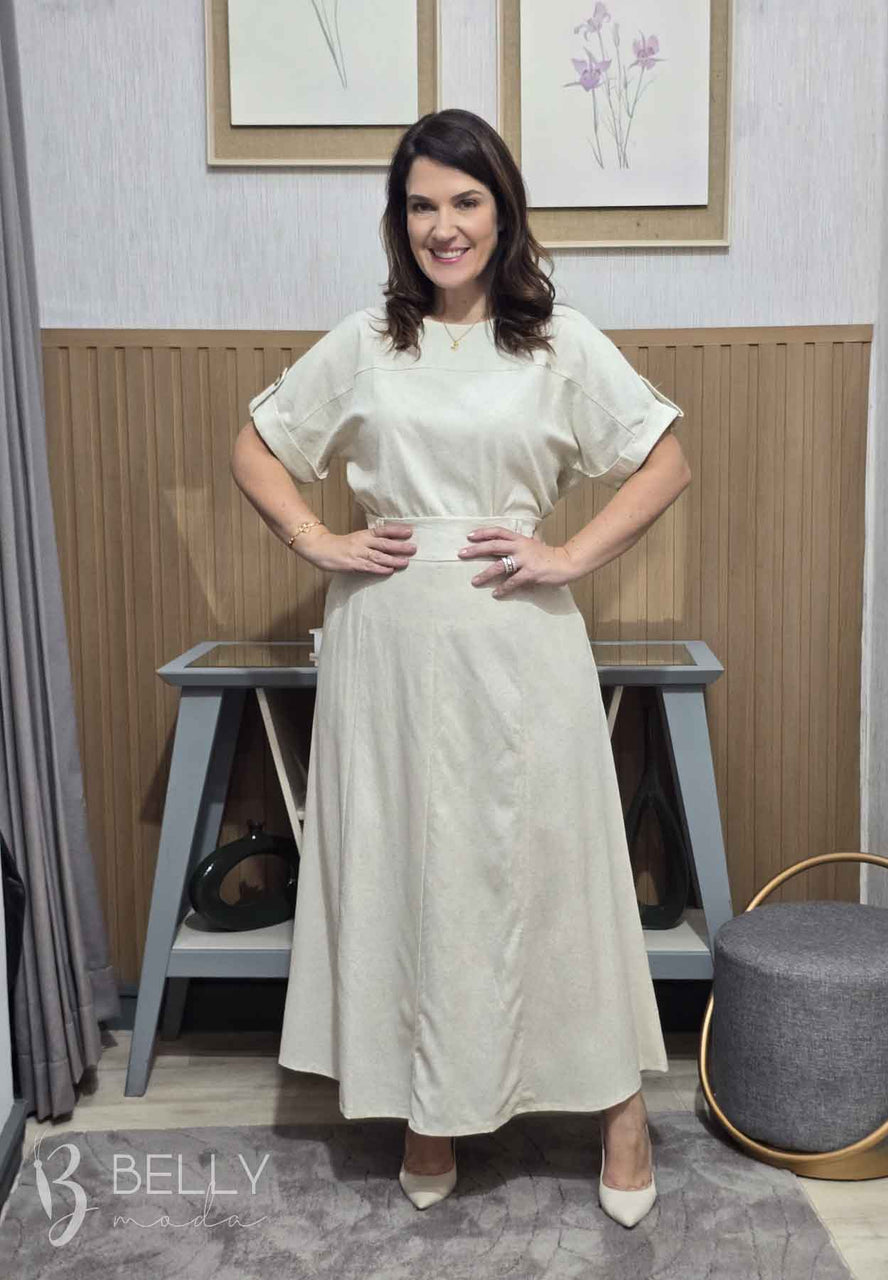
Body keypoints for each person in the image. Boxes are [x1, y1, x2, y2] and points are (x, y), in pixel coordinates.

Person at [231, 107, 691, 1227]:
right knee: (409, 869)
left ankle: (621, 1111)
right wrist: (318, 540)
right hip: (386, 647)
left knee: (554, 870)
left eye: (466, 201)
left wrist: (566, 554)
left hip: (516, 641)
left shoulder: (558, 342)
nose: (444, 226)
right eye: (422, 205)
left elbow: (666, 461)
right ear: (400, 221)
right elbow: (257, 447)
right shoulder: (367, 343)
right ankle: (426, 1109)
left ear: (503, 211)